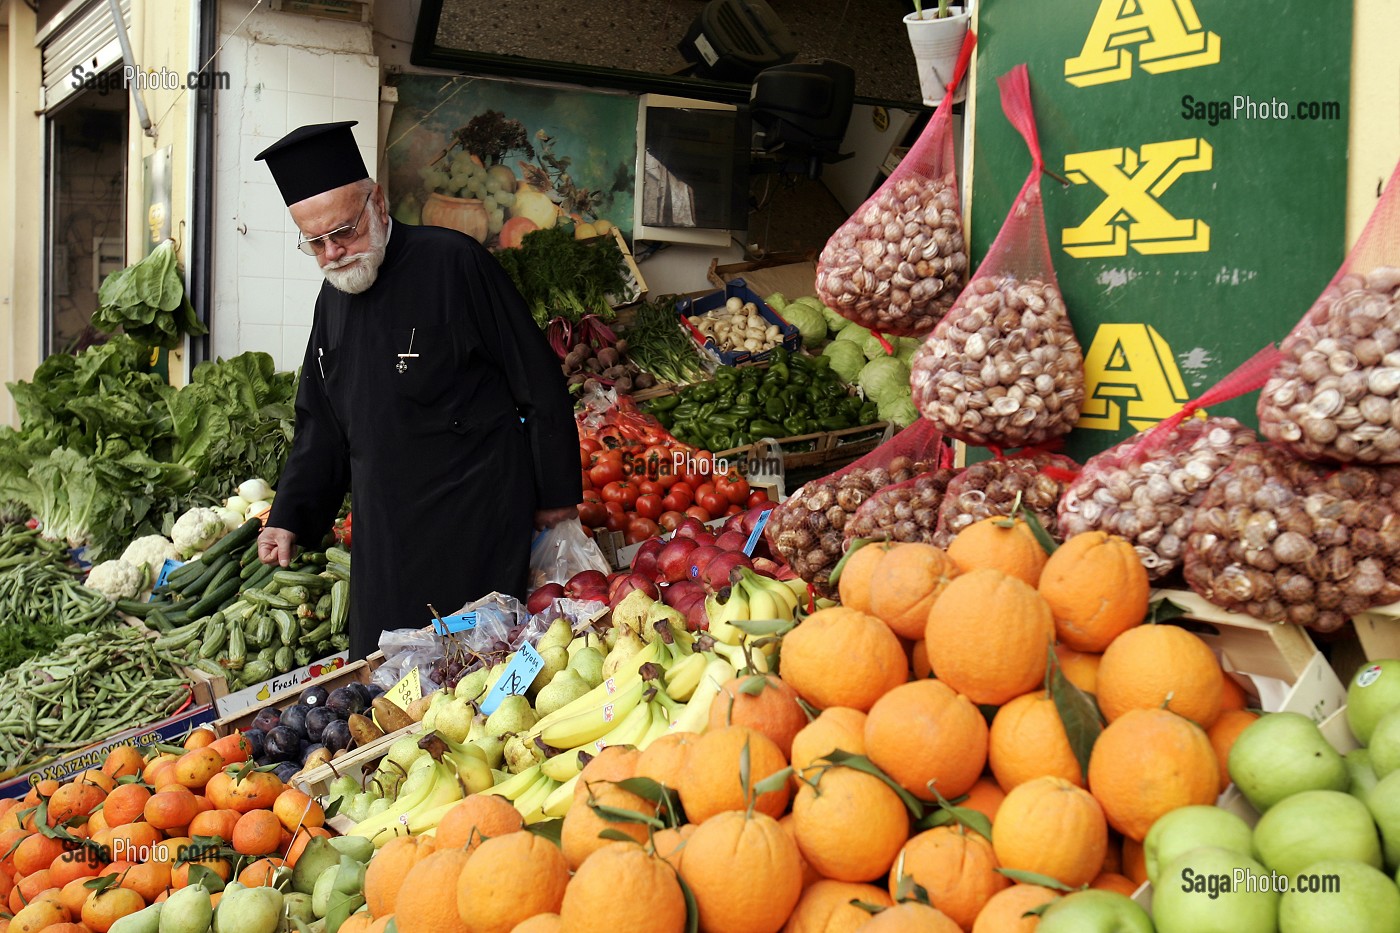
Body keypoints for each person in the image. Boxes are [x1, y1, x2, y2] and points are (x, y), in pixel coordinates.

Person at [254, 121, 580, 659]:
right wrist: (291, 515)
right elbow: (320, 421)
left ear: (377, 204)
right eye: (316, 243)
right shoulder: (332, 300)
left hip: (473, 515)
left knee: (474, 670)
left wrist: (554, 493)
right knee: (387, 671)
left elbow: (537, 381)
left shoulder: (453, 262)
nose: (334, 253)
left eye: (344, 232)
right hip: (385, 528)